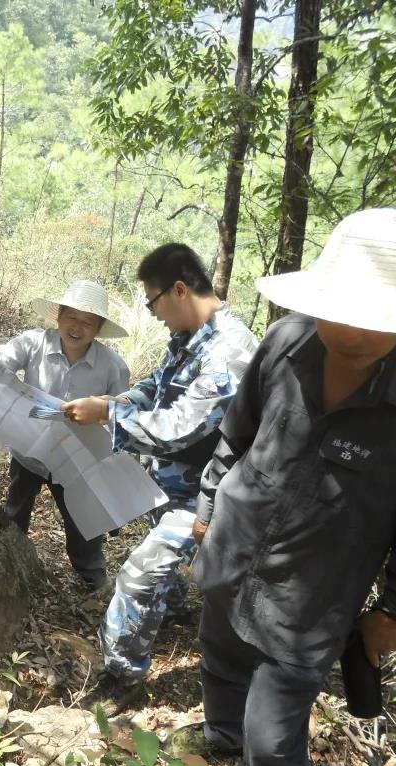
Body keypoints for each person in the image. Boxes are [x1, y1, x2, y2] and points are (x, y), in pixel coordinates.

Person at [177, 208, 396, 766]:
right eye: (340, 310)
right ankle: (220, 737)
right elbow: (237, 434)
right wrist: (208, 507)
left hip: (314, 593)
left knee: (272, 737)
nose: (352, 333)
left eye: (377, 318)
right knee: (219, 660)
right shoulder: (288, 340)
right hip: (231, 547)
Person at [60, 244, 257, 713]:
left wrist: (107, 415)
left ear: (179, 290)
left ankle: (122, 678)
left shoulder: (230, 350)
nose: (154, 314)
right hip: (174, 483)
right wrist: (120, 401)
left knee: (138, 575)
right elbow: (158, 387)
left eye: (152, 302)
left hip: (210, 494)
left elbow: (181, 426)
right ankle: (171, 610)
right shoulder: (193, 337)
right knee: (161, 570)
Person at [0, 279, 130, 588]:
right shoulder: (33, 343)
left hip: (76, 459)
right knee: (16, 508)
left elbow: (124, 413)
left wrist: (104, 409)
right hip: (30, 448)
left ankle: (93, 577)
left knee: (83, 521)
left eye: (88, 322)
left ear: (97, 329)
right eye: (71, 317)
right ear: (58, 317)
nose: (77, 327)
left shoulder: (112, 366)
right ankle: (9, 565)